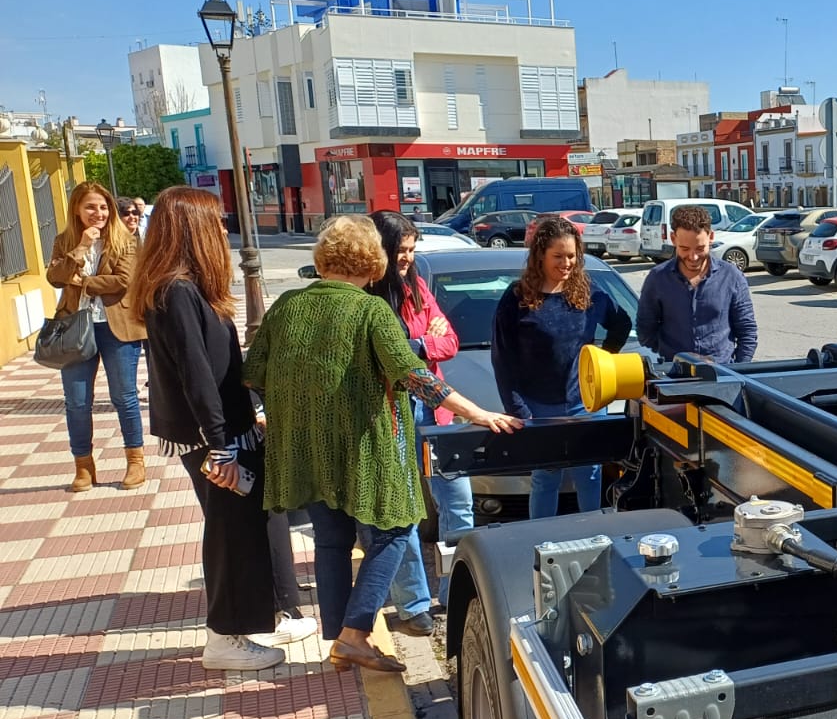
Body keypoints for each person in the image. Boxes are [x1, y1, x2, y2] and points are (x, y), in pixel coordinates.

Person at [244, 216, 521, 673]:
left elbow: (255, 372)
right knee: (394, 529)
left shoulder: (288, 305)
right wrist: (477, 413)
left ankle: (339, 641)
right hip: (364, 448)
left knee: (331, 542)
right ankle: (354, 635)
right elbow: (414, 376)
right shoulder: (370, 310)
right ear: (372, 261)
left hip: (306, 450)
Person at [126, 186, 313, 671]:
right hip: (214, 438)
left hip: (226, 430)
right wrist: (221, 447)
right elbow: (196, 375)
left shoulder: (186, 288)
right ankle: (224, 638)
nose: (224, 229)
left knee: (244, 528)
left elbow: (219, 368)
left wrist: (250, 413)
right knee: (230, 535)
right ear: (192, 228)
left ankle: (254, 620)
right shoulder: (177, 292)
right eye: (216, 221)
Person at [366, 210, 475, 638]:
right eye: (401, 250)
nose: (407, 258)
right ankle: (412, 604)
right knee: (405, 508)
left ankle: (458, 589)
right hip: (391, 410)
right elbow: (382, 356)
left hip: (433, 405)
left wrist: (413, 344)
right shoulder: (369, 296)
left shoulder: (417, 286)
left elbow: (450, 341)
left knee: (458, 499)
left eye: (412, 250)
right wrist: (424, 341)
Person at [491, 215, 631, 518]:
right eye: (558, 256)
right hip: (538, 407)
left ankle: (592, 536)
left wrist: (603, 361)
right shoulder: (516, 298)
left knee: (590, 474)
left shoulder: (590, 292)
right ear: (540, 254)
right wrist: (519, 411)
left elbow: (622, 323)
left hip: (586, 402)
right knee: (546, 477)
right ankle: (544, 538)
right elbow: (503, 360)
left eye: (572, 256)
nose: (566, 263)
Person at [45, 181, 147, 491]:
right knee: (76, 402)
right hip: (76, 327)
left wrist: (83, 282)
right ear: (77, 209)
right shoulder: (64, 241)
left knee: (124, 397)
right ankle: (83, 466)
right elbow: (55, 278)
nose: (99, 213)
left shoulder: (125, 240)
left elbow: (123, 281)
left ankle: (135, 461)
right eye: (91, 207)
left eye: (103, 207)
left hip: (117, 327)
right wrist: (80, 248)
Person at [635, 204, 757, 363]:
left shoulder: (731, 276)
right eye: (684, 249)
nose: (693, 257)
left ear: (711, 237)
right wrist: (668, 357)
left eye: (700, 248)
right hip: (673, 374)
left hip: (723, 374)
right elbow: (645, 329)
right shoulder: (658, 278)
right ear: (673, 239)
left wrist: (739, 369)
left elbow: (747, 332)